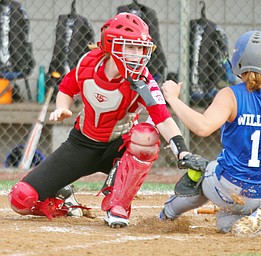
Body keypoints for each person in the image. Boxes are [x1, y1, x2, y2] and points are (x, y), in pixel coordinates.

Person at [8, 12, 196, 228]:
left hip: (118, 148)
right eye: (130, 47)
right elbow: (66, 89)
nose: (137, 54)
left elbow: (162, 117)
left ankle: (118, 206)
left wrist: (182, 150)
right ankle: (62, 199)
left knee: (145, 136)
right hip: (81, 145)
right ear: (111, 44)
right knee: (21, 199)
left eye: (141, 48)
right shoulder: (89, 64)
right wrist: (62, 108)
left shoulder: (142, 78)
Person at [159, 23, 261, 235]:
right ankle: (256, 219)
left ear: (237, 62)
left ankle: (168, 213)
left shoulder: (230, 95)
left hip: (233, 188)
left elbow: (202, 127)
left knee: (202, 169)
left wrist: (171, 98)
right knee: (225, 222)